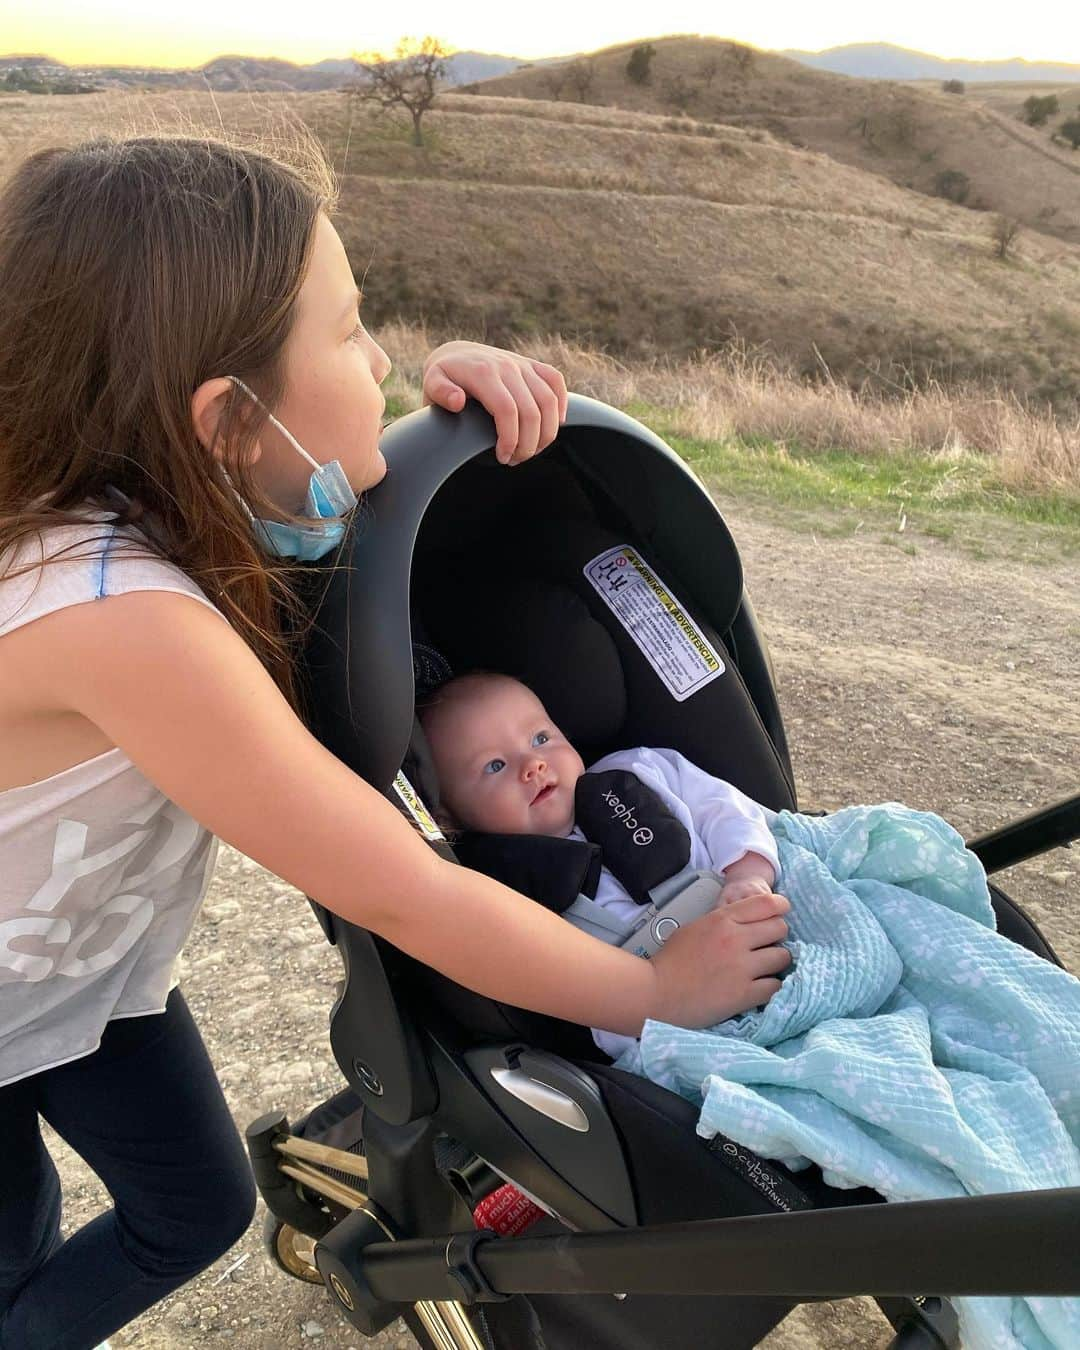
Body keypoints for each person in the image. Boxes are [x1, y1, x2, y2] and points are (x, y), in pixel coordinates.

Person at [0, 133, 790, 1350]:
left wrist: (439, 413)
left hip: (77, 972)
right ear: (226, 418)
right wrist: (653, 990)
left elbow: (291, 521)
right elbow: (408, 891)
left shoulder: (157, 501)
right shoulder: (120, 618)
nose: (380, 360)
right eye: (353, 329)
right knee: (16, 1243)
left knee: (197, 1205)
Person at [419, 671, 793, 1056]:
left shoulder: (639, 771)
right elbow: (570, 1001)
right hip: (682, 1032)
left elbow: (729, 812)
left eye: (541, 738)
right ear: (450, 818)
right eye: (494, 766)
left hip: (767, 918)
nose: (533, 764)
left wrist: (749, 874)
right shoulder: (500, 896)